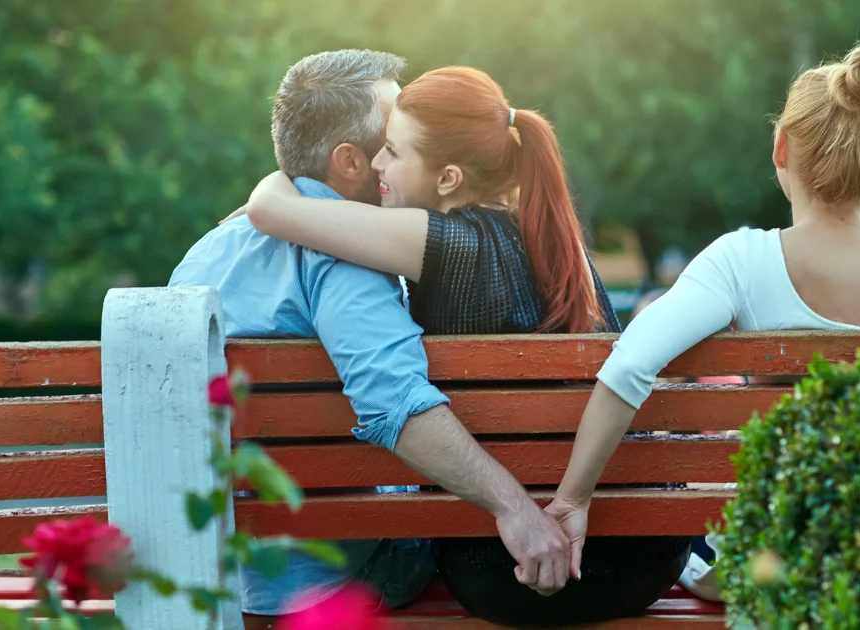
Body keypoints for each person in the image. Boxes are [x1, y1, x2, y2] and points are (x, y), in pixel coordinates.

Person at [227, 66, 690, 626]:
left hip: (502, 571)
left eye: (393, 152)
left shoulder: (446, 243)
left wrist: (281, 177)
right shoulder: (547, 234)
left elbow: (271, 210)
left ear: (447, 179)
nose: (377, 165)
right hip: (646, 554)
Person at [543, 36, 860, 602]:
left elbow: (631, 364)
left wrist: (571, 500)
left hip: (776, 561)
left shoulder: (744, 260)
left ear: (780, 147)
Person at [169, 50, 571, 618]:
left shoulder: (205, 252)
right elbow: (396, 404)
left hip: (217, 574)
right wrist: (515, 510)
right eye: (392, 138)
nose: (392, 155)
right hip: (329, 581)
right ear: (351, 161)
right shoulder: (344, 262)